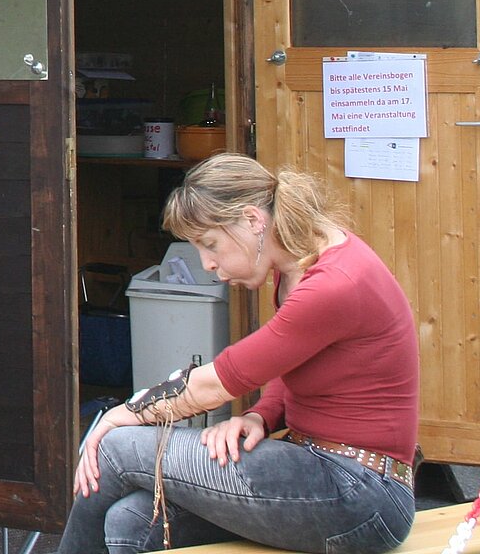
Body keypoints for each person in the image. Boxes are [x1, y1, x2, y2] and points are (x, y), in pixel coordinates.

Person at [63, 154, 417, 554]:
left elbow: (216, 384)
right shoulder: (300, 261)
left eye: (210, 244)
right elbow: (293, 362)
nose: (208, 264)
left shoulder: (333, 282)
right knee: (131, 520)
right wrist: (258, 415)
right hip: (318, 469)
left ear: (252, 220)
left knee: (117, 446)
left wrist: (124, 412)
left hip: (360, 493)